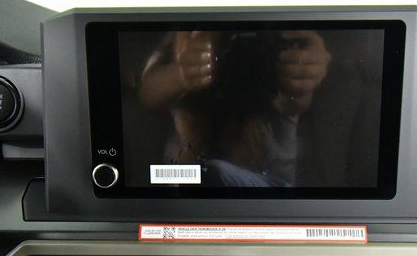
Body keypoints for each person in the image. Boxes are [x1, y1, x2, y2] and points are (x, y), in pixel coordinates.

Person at [137, 29, 331, 187]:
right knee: (169, 175)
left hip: (267, 195)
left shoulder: (278, 57)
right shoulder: (187, 49)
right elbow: (148, 91)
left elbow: (295, 100)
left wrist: (304, 69)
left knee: (210, 173)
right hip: (187, 188)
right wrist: (181, 74)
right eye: (227, 46)